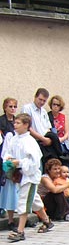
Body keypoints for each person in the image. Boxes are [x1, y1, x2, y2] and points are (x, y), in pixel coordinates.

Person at [2, 113, 53, 242]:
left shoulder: (30, 142)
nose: (15, 125)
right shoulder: (14, 139)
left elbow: (34, 162)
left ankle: (20, 231)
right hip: (20, 176)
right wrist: (9, 160)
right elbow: (8, 153)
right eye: (15, 123)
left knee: (23, 202)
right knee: (34, 201)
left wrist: (19, 162)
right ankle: (47, 221)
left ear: (26, 125)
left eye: (18, 123)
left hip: (29, 177)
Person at [0, 97, 19, 229]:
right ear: (5, 107)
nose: (12, 109)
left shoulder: (18, 121)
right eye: (10, 106)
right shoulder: (1, 121)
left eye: (14, 107)